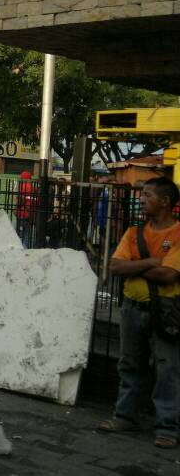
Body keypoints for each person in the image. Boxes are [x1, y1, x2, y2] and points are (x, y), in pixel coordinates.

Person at [97, 177, 180, 449]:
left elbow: (168, 275)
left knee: (168, 369)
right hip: (132, 308)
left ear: (165, 201)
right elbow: (115, 267)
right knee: (130, 364)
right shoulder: (134, 232)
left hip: (166, 311)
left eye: (147, 195)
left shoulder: (178, 234)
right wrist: (151, 262)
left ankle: (168, 426)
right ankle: (125, 416)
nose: (141, 200)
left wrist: (135, 264)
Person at [16, 171, 37, 248]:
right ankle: (25, 248)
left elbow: (19, 200)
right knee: (27, 233)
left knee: (19, 232)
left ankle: (19, 247)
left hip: (21, 212)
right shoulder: (33, 188)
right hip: (29, 213)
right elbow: (35, 201)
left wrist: (16, 209)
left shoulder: (22, 187)